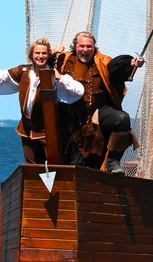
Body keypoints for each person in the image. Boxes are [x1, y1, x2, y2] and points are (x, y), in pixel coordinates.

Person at [0, 38, 84, 164]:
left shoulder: (53, 74)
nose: (40, 56)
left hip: (47, 132)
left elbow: (79, 91)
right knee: (32, 167)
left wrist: (60, 78)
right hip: (26, 130)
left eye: (44, 53)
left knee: (54, 166)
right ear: (32, 55)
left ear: (48, 55)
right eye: (37, 53)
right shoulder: (23, 72)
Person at [55, 30, 144, 173]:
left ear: (94, 47)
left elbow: (117, 70)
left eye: (89, 47)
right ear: (75, 46)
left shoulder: (102, 61)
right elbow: (42, 62)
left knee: (122, 120)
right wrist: (54, 51)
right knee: (75, 159)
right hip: (69, 115)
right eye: (82, 46)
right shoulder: (63, 60)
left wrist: (132, 64)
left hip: (97, 112)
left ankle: (113, 162)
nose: (85, 50)